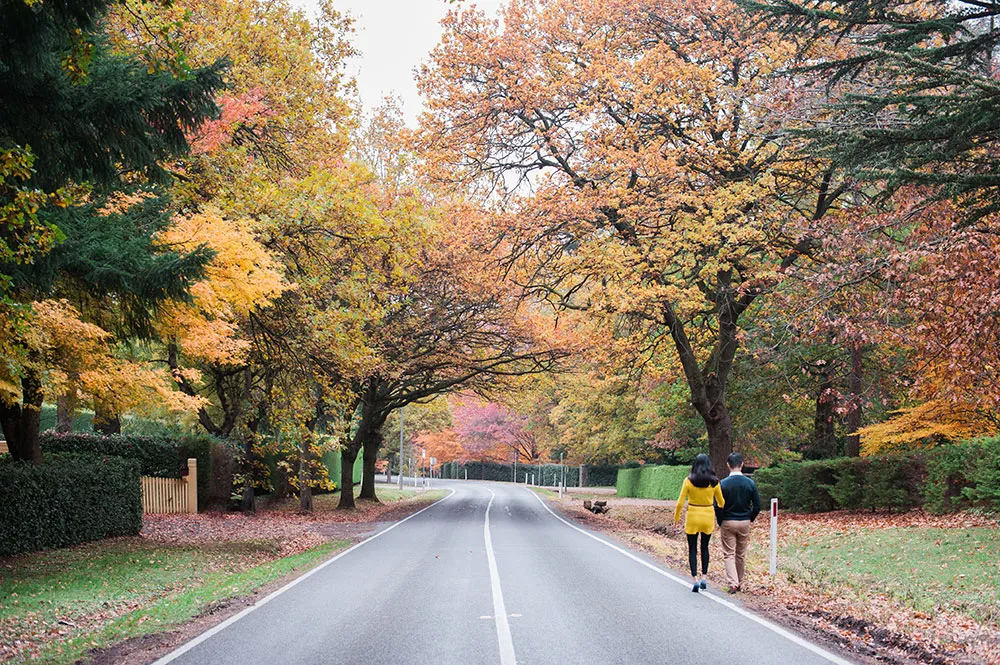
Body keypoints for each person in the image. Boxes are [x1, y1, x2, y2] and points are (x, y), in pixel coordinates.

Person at [674, 453, 724, 593]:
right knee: (705, 548)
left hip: (693, 516)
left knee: (692, 548)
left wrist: (677, 518)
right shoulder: (714, 481)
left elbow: (679, 503)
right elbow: (721, 502)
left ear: (695, 465)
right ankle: (704, 577)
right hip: (707, 515)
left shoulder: (688, 480)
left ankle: (695, 579)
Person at [715, 452, 761, 594]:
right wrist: (750, 518)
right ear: (741, 465)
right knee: (740, 554)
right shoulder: (750, 483)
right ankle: (740, 581)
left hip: (728, 521)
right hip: (744, 522)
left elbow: (718, 505)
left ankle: (733, 582)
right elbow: (757, 505)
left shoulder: (723, 484)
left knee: (729, 553)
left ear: (728, 465)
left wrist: (721, 520)